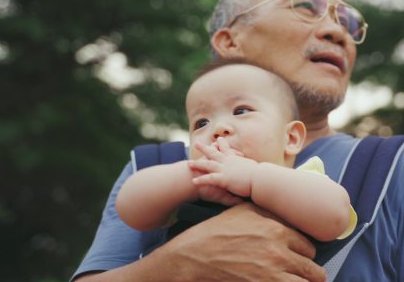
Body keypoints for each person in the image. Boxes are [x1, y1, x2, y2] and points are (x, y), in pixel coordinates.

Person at [65, 0, 404, 282]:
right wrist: (185, 264)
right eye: (305, 6)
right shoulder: (154, 169)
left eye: (348, 23)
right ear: (229, 41)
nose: (338, 32)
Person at [115, 59, 356, 243]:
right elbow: (130, 209)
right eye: (201, 123)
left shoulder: (303, 182)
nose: (218, 128)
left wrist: (253, 177)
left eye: (241, 111)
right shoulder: (189, 192)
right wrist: (192, 177)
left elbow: (336, 217)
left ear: (290, 138)